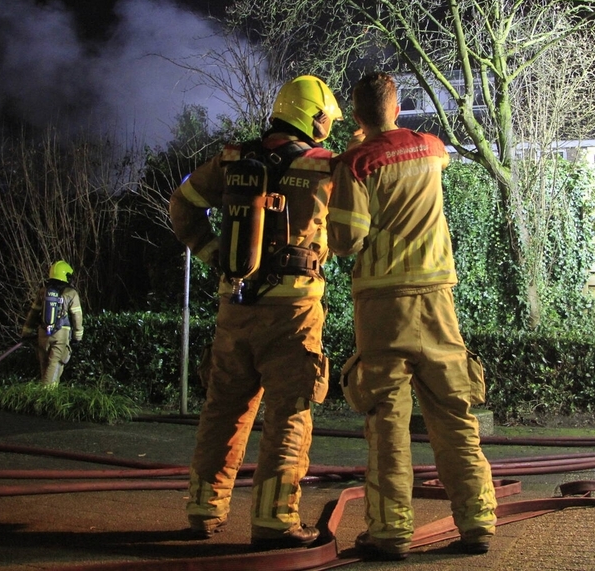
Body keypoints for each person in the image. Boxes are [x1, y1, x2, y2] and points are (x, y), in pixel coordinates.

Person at [328, 72, 497, 561]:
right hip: (438, 302)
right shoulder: (431, 148)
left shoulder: (357, 163)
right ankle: (477, 521)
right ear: (397, 108)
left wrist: (349, 160)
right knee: (454, 415)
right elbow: (424, 154)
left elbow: (345, 240)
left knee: (387, 423)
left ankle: (391, 532)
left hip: (384, 308)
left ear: (356, 116)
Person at [169, 75, 341, 549]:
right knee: (290, 412)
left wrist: (215, 255)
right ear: (317, 119)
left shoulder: (232, 159)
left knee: (223, 408)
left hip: (235, 303)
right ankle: (273, 519)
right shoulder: (324, 165)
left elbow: (182, 205)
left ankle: (203, 510)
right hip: (294, 312)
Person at [21, 260, 83, 386]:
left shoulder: (43, 292)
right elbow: (77, 317)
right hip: (61, 334)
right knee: (55, 364)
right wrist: (78, 337)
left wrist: (26, 333)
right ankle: (47, 396)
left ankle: (43, 393)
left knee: (44, 365)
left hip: (43, 333)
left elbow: (33, 314)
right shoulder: (71, 293)